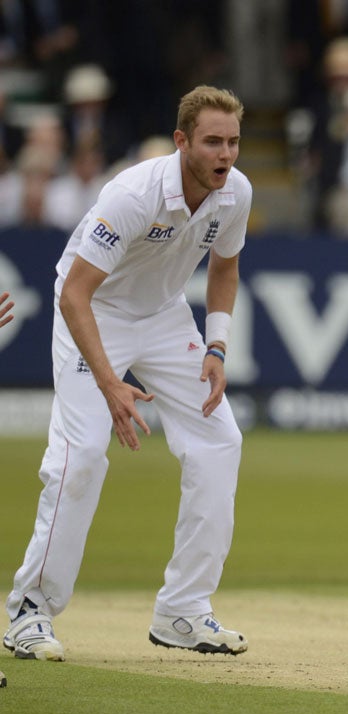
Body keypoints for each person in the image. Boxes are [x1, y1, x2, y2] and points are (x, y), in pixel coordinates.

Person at [4, 86, 252, 662]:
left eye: (234, 142)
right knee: (82, 455)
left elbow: (226, 266)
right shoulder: (134, 194)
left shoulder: (234, 192)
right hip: (94, 313)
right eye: (213, 142)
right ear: (182, 141)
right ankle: (29, 612)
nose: (226, 154)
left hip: (165, 316)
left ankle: (183, 611)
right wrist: (110, 382)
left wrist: (216, 346)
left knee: (221, 441)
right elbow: (74, 293)